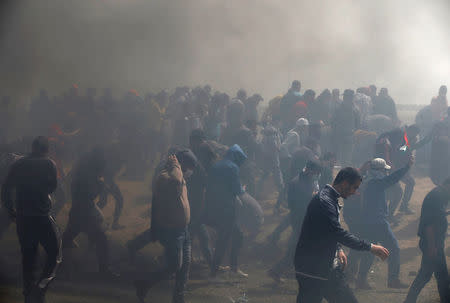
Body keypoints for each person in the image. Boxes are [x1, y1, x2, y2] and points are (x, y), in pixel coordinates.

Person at [294, 167, 389, 303]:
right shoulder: (324, 202)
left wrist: (338, 249)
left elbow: (328, 230)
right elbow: (337, 232)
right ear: (345, 184)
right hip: (315, 270)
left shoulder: (329, 199)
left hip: (319, 268)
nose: (356, 192)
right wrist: (371, 247)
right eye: (354, 188)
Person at [1, 136, 61, 303]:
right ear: (46, 149)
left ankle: (28, 294)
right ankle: (40, 289)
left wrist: (10, 209)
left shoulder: (18, 163)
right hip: (42, 216)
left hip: (23, 217)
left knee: (29, 257)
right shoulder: (49, 163)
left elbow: (6, 188)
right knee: (55, 254)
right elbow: (53, 187)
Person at [134, 153, 194, 303]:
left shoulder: (178, 176)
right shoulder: (165, 177)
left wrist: (177, 167)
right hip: (172, 231)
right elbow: (175, 182)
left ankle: (178, 299)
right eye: (182, 165)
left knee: (184, 268)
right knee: (174, 266)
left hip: (183, 229)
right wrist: (175, 166)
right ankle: (144, 283)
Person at [356, 157, 413, 289]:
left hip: (368, 221)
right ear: (380, 170)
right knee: (394, 249)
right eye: (384, 170)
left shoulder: (367, 181)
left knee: (371, 251)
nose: (386, 173)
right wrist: (407, 167)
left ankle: (360, 280)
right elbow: (392, 178)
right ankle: (393, 279)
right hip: (378, 221)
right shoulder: (376, 182)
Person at [61, 147, 118, 277]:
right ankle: (104, 270)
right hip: (83, 212)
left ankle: (51, 260)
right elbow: (87, 195)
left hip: (80, 211)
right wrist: (100, 187)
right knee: (101, 239)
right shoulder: (87, 175)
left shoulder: (86, 172)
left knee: (68, 237)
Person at [268, 159, 321, 283]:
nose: (317, 175)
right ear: (309, 170)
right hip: (300, 220)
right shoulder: (298, 183)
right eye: (316, 172)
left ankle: (278, 270)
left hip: (303, 219)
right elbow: (298, 205)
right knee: (298, 250)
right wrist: (313, 197)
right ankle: (281, 270)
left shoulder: (306, 180)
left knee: (296, 249)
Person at [204, 144, 248, 279]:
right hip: (227, 208)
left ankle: (233, 268)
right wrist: (243, 189)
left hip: (214, 206)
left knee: (237, 235)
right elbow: (237, 189)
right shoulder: (232, 167)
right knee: (223, 240)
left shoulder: (217, 165)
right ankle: (213, 274)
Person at [403, 179, 450, 303]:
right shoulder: (437, 196)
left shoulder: (440, 194)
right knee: (435, 276)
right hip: (432, 242)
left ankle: (410, 300)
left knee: (429, 274)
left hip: (434, 242)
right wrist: (432, 246)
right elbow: (429, 224)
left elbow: (437, 215)